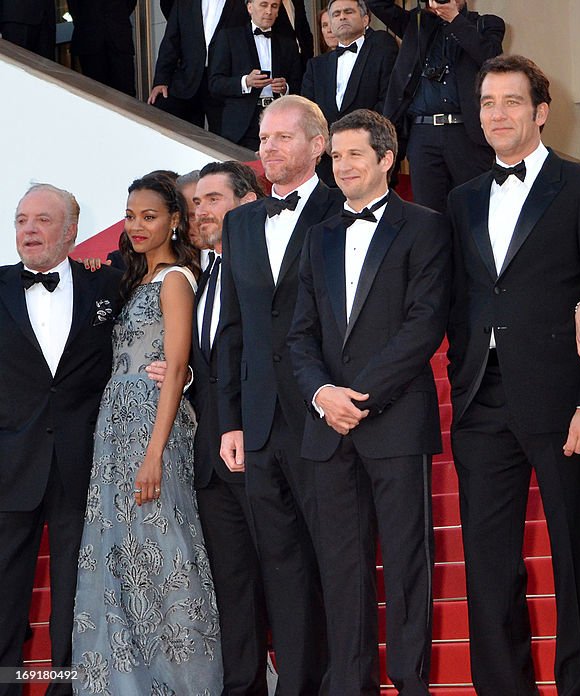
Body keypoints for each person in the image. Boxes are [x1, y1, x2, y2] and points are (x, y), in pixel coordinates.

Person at [446, 54, 580, 695]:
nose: (497, 114)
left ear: (541, 112)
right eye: (488, 103)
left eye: (511, 102)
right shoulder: (461, 198)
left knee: (576, 558)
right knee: (488, 567)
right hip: (480, 401)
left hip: (563, 401)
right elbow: (463, 297)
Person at [289, 108, 449, 696]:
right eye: (336, 156)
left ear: (387, 158)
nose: (344, 165)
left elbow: (423, 324)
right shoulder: (318, 235)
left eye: (356, 153)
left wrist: (361, 397)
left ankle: (411, 684)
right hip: (328, 427)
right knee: (342, 569)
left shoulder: (427, 227)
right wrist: (323, 395)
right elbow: (300, 333)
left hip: (396, 421)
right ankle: (350, 685)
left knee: (408, 565)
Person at [71, 173, 221, 694]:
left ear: (174, 220)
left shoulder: (176, 279)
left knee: (162, 545)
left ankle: (183, 678)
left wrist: (155, 453)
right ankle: (126, 680)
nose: (136, 225)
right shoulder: (132, 278)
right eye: (130, 215)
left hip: (154, 422)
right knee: (121, 550)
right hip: (115, 425)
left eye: (149, 216)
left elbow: (177, 367)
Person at [218, 94, 344, 695]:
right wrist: (231, 422)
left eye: (282, 138)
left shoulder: (343, 210)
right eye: (263, 138)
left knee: (335, 565)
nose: (267, 148)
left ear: (319, 147)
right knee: (282, 569)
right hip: (261, 424)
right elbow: (235, 327)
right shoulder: (241, 223)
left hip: (325, 418)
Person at [0, 185, 121, 696]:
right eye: (22, 219)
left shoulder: (108, 286)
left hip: (83, 463)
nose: (29, 229)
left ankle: (65, 688)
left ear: (71, 231)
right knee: (5, 593)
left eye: (43, 220)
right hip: (9, 463)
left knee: (76, 594)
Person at [189, 161, 272, 696]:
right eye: (196, 203)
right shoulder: (200, 276)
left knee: (283, 577)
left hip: (260, 448)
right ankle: (243, 686)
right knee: (232, 585)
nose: (200, 212)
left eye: (213, 200)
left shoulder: (264, 265)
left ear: (245, 203)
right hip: (211, 461)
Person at [367, 0, 505, 213]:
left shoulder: (486, 24)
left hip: (467, 134)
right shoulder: (417, 23)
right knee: (428, 214)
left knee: (476, 211)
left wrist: (454, 19)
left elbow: (491, 59)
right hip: (423, 134)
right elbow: (377, 4)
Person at [301, 0, 398, 187]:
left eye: (348, 12)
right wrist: (327, 142)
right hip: (327, 162)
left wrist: (360, 141)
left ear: (365, 19)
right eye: (336, 14)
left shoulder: (383, 51)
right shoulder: (316, 66)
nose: (342, 17)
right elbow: (308, 111)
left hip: (369, 154)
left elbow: (387, 101)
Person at [209, 0, 304, 151]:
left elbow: (298, 84)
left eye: (274, 6)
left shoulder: (288, 44)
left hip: (278, 119)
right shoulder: (229, 37)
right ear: (249, 7)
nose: (269, 11)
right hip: (242, 124)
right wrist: (245, 82)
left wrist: (285, 88)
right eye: (263, 5)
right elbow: (215, 83)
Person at [149, 0, 248, 132]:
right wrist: (161, 81)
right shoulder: (184, 3)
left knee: (224, 140)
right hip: (187, 80)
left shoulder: (243, 4)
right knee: (162, 113)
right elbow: (170, 42)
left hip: (223, 83)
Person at [66, 0, 138, 96]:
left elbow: (130, 3)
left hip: (119, 37)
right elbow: (74, 6)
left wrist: (115, 18)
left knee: (126, 96)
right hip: (90, 40)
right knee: (95, 96)